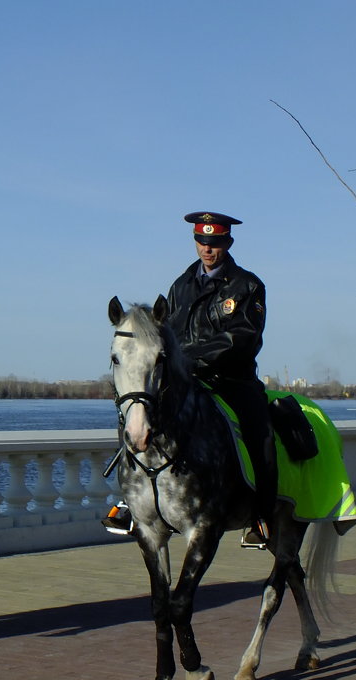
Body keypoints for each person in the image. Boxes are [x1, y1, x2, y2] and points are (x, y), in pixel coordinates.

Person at [103, 211, 276, 549]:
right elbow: (166, 333)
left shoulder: (248, 286)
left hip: (232, 380)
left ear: (227, 243)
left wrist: (193, 355)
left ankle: (261, 514)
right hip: (187, 380)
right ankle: (132, 503)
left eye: (215, 243)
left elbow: (244, 337)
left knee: (261, 433)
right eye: (202, 242)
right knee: (139, 414)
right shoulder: (180, 285)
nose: (208, 249)